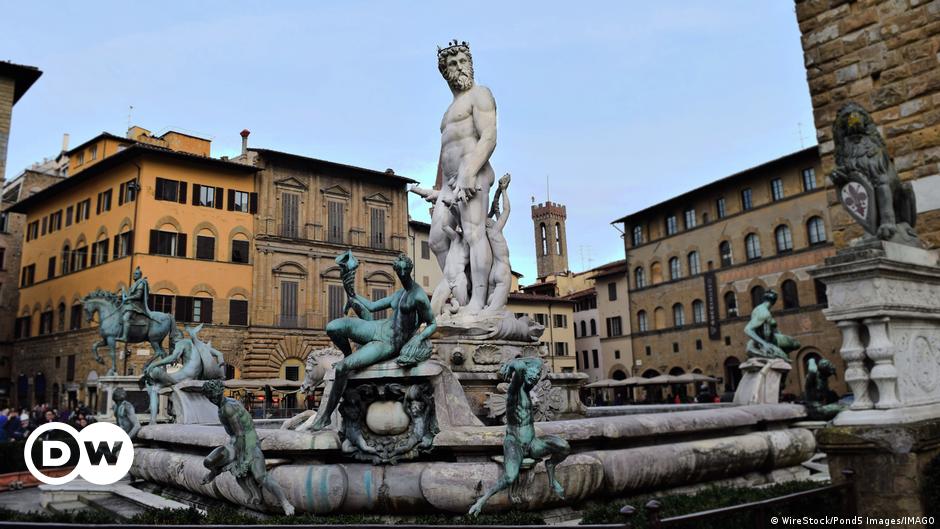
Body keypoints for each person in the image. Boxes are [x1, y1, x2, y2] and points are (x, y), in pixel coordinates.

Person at [312, 254, 436, 431]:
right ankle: (349, 355)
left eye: (404, 270)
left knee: (342, 368)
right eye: (398, 270)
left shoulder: (418, 296)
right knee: (333, 327)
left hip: (389, 343)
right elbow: (371, 306)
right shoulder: (399, 293)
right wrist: (352, 292)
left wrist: (419, 337)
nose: (401, 273)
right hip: (378, 327)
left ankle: (325, 417)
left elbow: (432, 323)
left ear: (409, 270)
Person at [428, 40, 498, 314]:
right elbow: (446, 150)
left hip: (473, 173)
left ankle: (479, 303)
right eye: (452, 64)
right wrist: (440, 188)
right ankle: (461, 297)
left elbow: (489, 136)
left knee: (473, 233)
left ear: (470, 64)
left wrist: (469, 170)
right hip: (449, 184)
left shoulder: (480, 94)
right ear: (445, 72)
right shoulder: (447, 112)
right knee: (436, 240)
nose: (459, 68)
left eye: (462, 62)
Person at [201, 380, 294, 515]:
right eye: (210, 397)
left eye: (214, 396)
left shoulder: (228, 408)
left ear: (219, 392)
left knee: (261, 476)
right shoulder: (226, 404)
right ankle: (214, 472)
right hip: (235, 443)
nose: (212, 400)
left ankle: (285, 503)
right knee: (208, 461)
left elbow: (240, 434)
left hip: (248, 443)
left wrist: (241, 459)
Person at [119, 267, 154, 342]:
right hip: (130, 304)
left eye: (136, 274)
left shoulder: (141, 283)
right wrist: (124, 292)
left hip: (136, 306)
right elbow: (129, 295)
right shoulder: (134, 284)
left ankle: (124, 336)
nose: (134, 275)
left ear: (140, 275)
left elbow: (138, 296)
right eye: (134, 274)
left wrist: (127, 298)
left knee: (125, 318)